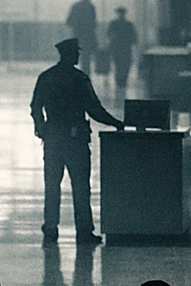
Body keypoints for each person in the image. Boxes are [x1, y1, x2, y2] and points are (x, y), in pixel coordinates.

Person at [30, 38, 125, 245]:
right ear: (69, 54)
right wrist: (115, 123)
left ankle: (50, 228)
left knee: (52, 185)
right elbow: (94, 109)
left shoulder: (46, 77)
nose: (78, 55)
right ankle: (83, 231)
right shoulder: (79, 78)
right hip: (75, 139)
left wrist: (41, 127)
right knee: (81, 187)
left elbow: (35, 106)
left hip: (53, 138)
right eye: (76, 53)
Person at [107, 7, 138, 88]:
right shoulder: (129, 24)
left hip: (117, 47)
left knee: (118, 64)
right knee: (125, 64)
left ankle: (119, 81)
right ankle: (123, 80)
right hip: (125, 47)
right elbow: (134, 37)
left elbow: (109, 35)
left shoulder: (113, 24)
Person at [66, 0, 98, 74]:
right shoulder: (91, 7)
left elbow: (69, 22)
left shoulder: (76, 6)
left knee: (76, 57)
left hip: (78, 35)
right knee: (86, 58)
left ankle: (76, 76)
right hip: (89, 36)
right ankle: (85, 76)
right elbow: (94, 24)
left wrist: (77, 24)